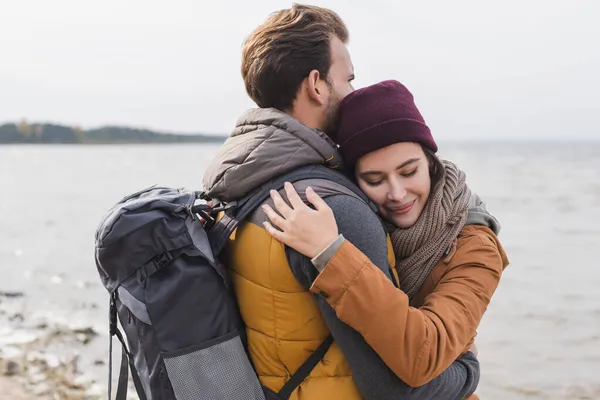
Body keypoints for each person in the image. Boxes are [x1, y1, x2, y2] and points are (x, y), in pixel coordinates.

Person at [203, 4, 480, 400]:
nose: (352, 92)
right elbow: (393, 390)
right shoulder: (329, 208)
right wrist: (467, 369)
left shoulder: (240, 186)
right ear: (317, 84)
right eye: (347, 78)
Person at [261, 80, 510, 398]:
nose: (397, 194)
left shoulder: (475, 246)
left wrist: (331, 253)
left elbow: (425, 354)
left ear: (430, 164)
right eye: (374, 179)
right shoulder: (362, 221)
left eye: (409, 172)